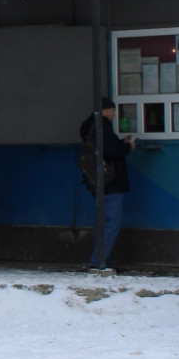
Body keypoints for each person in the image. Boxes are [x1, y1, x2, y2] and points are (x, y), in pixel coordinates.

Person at [78, 103, 135, 272]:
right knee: (111, 222)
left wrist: (119, 143)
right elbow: (112, 152)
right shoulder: (102, 126)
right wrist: (127, 146)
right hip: (111, 181)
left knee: (102, 222)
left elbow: (103, 148)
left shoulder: (89, 127)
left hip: (99, 181)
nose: (114, 115)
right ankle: (99, 261)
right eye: (112, 111)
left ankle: (102, 258)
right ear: (104, 111)